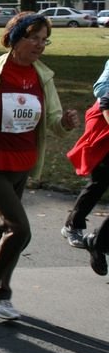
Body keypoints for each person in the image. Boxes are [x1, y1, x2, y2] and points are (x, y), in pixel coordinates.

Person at [0, 12, 78, 320]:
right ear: (15, 37)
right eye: (33, 37)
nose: (40, 44)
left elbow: (53, 122)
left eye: (44, 39)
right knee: (19, 229)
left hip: (22, 162)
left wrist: (66, 123)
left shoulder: (42, 76)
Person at [65, 58, 109, 275]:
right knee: (99, 182)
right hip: (104, 131)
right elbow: (104, 95)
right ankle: (76, 226)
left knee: (99, 182)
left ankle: (99, 242)